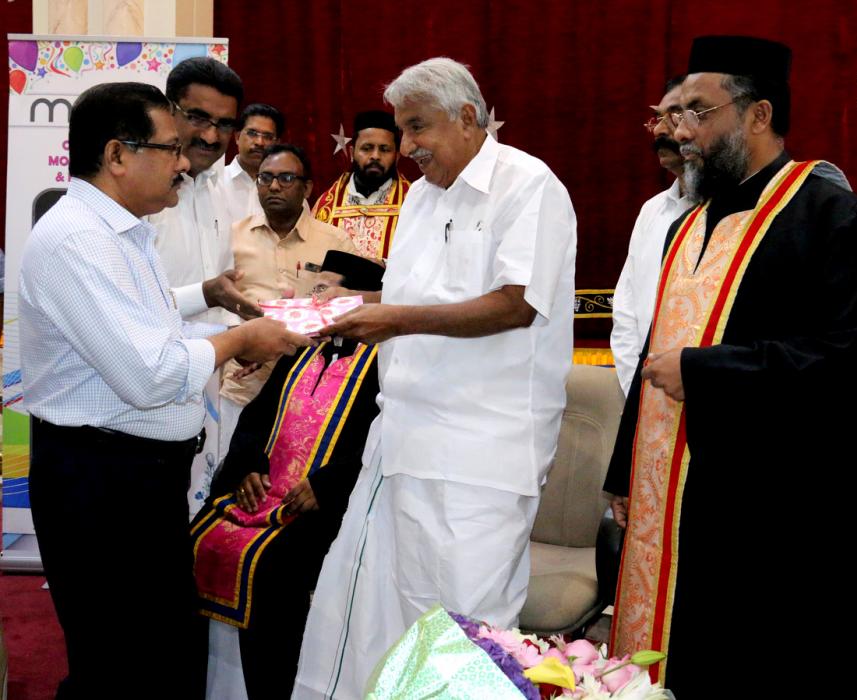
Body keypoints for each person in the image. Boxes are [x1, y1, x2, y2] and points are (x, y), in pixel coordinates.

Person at [603, 36, 857, 697]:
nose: (680, 130)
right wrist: (625, 471)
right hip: (678, 493)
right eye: (674, 113)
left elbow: (851, 357)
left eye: (697, 111)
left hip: (777, 505)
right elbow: (658, 350)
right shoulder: (687, 226)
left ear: (757, 114)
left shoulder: (832, 215)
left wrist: (707, 373)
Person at [292, 57, 577, 700]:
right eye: (402, 129)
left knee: (464, 631)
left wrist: (391, 319)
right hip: (402, 444)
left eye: (417, 127)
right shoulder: (422, 196)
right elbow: (411, 298)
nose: (406, 146)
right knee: (383, 620)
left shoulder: (528, 185)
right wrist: (345, 306)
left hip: (479, 454)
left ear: (467, 117)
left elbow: (517, 304)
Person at [19, 82, 310, 700]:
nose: (184, 162)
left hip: (133, 479)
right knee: (121, 664)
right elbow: (149, 374)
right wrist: (239, 339)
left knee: (160, 654)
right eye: (170, 147)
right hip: (101, 481)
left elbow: (143, 324)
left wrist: (209, 308)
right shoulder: (80, 239)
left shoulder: (119, 230)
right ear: (117, 155)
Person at [194, 251, 384, 700]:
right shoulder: (302, 349)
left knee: (274, 570)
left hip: (321, 505)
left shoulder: (383, 363)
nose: (314, 299)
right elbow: (258, 417)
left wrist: (328, 485)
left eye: (325, 290)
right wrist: (248, 466)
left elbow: (380, 439)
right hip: (262, 495)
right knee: (196, 542)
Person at [218, 144, 357, 459]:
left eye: (286, 178)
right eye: (265, 178)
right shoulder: (232, 238)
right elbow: (216, 306)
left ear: (307, 187)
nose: (274, 186)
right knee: (231, 479)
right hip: (243, 388)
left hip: (307, 397)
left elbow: (350, 313)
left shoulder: (336, 243)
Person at [149, 56, 260, 325]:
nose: (211, 136)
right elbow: (129, 306)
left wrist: (245, 332)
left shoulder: (220, 191)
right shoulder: (140, 196)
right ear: (168, 111)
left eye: (224, 124)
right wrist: (206, 295)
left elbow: (222, 297)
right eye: (198, 118)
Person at [610, 76, 693, 399]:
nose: (659, 130)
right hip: (648, 397)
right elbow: (626, 310)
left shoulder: (741, 211)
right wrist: (640, 388)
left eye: (674, 116)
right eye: (657, 118)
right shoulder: (652, 211)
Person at [311, 110, 410, 260]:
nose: (375, 156)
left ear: (396, 156)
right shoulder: (326, 207)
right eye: (367, 148)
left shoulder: (412, 202)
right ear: (352, 153)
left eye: (384, 149)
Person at [221, 102, 284, 223]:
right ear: (237, 137)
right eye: (252, 133)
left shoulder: (288, 190)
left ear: (277, 144)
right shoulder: (214, 183)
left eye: (268, 136)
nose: (259, 142)